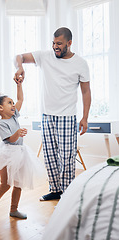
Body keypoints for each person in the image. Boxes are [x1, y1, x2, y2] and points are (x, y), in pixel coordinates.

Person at [14, 27, 91, 201]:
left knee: (67, 156)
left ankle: (68, 192)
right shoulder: (44, 56)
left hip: (67, 116)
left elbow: (86, 92)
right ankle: (55, 190)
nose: (55, 47)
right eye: (53, 43)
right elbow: (18, 56)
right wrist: (20, 67)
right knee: (49, 155)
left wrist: (85, 118)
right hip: (47, 115)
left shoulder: (80, 63)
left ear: (69, 43)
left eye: (59, 44)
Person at [0, 80, 44, 219]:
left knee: (18, 184)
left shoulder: (14, 115)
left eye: (13, 103)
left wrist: (19, 85)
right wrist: (18, 133)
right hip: (8, 154)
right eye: (10, 103)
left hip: (21, 153)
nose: (14, 105)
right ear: (0, 108)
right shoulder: (2, 123)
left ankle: (13, 210)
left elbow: (21, 99)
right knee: (5, 184)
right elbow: (10, 139)